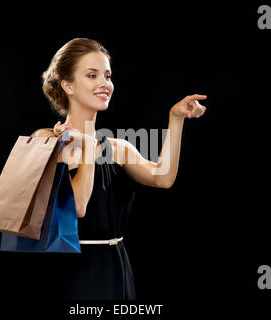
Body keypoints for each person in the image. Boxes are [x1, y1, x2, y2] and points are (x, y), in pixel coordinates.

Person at [37, 38, 207, 300]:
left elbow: (163, 179)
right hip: (70, 273)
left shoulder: (118, 147)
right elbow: (78, 207)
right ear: (68, 85)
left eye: (107, 75)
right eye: (92, 75)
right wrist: (87, 150)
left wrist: (176, 118)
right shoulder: (45, 140)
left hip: (116, 268)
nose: (104, 83)